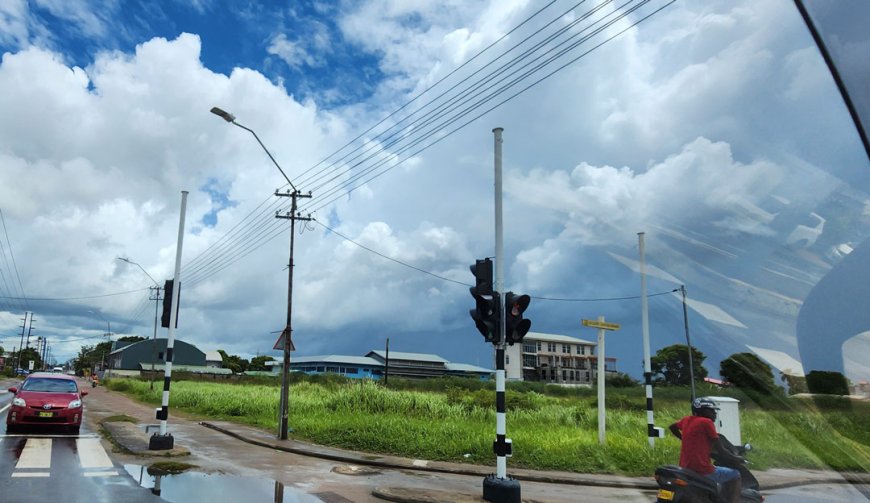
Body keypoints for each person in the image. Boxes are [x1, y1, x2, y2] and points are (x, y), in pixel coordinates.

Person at [669, 398, 743, 503]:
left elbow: (672, 427)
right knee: (735, 475)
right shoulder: (706, 422)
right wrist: (736, 458)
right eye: (711, 410)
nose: (715, 413)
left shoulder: (686, 420)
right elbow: (721, 450)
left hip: (686, 469)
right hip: (702, 470)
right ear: (702, 411)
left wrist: (683, 439)